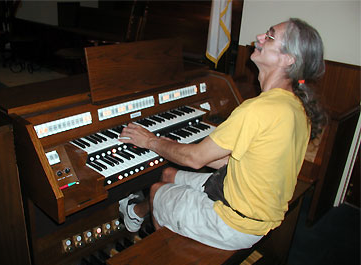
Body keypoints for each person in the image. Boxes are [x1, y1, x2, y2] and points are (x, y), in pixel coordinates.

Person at [118, 18, 326, 250]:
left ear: (288, 59)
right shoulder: (296, 107)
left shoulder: (258, 109)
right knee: (168, 174)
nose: (259, 37)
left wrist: (151, 141)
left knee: (158, 191)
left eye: (269, 36)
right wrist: (175, 146)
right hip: (257, 208)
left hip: (235, 223)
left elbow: (194, 159)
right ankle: (135, 213)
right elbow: (243, 162)